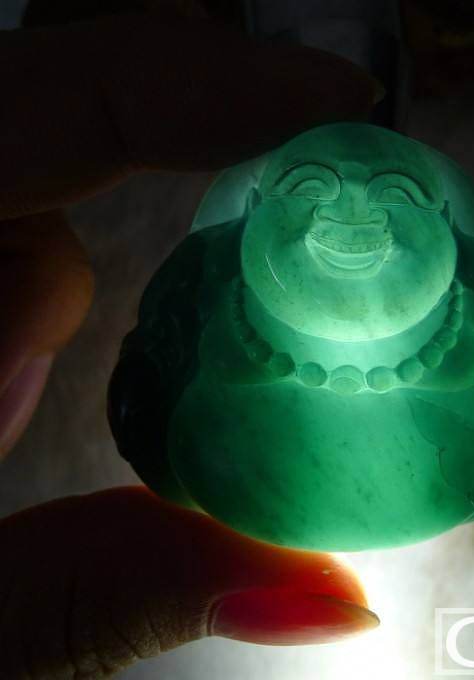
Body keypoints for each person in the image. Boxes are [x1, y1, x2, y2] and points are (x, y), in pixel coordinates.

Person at [0, 10, 384, 678]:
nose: (349, 218)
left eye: (395, 198)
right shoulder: (213, 286)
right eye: (310, 192)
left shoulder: (453, 313)